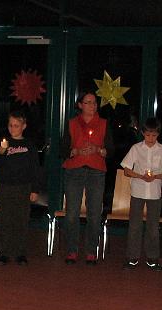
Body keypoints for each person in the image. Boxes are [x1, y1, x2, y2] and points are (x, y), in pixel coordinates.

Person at [60, 91, 114, 265]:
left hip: (96, 172)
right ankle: (72, 250)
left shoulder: (104, 124)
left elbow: (111, 151)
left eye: (95, 103)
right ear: (80, 105)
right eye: (89, 102)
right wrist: (74, 151)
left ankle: (91, 251)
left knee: (94, 214)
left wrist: (98, 150)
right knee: (72, 213)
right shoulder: (71, 123)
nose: (93, 105)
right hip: (74, 171)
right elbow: (62, 150)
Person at [120, 118, 162, 271]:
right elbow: (126, 169)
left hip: (155, 193)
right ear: (143, 133)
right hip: (138, 191)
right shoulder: (136, 148)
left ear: (158, 135)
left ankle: (152, 258)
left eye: (154, 136)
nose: (151, 139)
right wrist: (140, 176)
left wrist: (155, 177)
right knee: (135, 225)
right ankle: (132, 257)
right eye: (148, 135)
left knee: (152, 227)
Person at [0, 110, 40, 266]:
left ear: (24, 126)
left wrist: (35, 189)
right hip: (5, 187)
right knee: (5, 220)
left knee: (21, 220)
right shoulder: (3, 144)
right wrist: (1, 152)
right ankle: (4, 252)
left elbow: (35, 168)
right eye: (11, 125)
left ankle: (20, 252)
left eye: (17, 126)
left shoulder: (29, 145)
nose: (13, 128)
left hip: (24, 187)